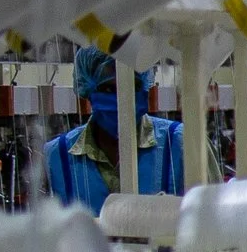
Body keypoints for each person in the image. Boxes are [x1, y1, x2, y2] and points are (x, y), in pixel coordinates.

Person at [45, 47, 185, 214]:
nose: (122, 98)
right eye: (109, 90)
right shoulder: (56, 157)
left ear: (146, 88)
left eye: (133, 85)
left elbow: (211, 224)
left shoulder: (180, 143)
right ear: (88, 91)